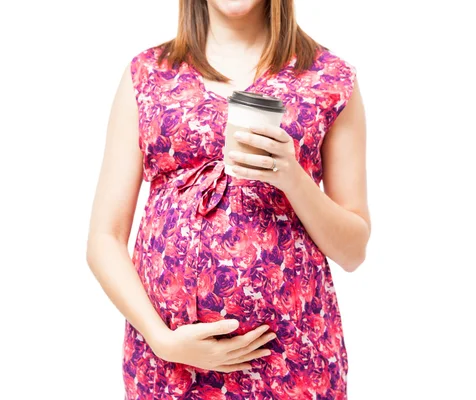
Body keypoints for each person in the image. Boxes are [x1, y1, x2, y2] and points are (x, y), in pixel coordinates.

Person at [86, 0, 370, 398]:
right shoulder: (148, 73)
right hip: (170, 364)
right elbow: (104, 239)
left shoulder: (328, 78)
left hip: (291, 360)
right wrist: (163, 340)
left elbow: (353, 250)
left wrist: (291, 176)